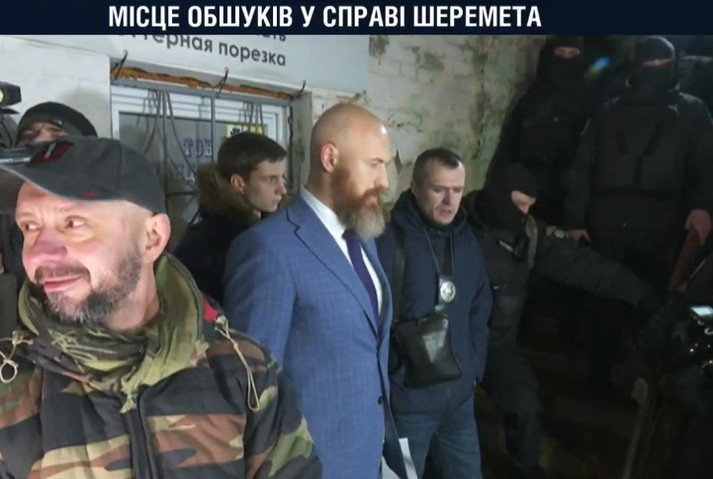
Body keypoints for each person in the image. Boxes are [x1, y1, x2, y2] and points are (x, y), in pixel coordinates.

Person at [0, 136, 322, 479]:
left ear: (152, 237)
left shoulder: (243, 371)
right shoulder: (10, 386)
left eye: (73, 223)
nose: (39, 254)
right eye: (30, 226)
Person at [223, 104, 408, 479]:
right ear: (329, 158)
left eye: (386, 166)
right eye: (374, 164)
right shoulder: (268, 248)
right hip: (310, 466)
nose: (385, 181)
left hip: (369, 456)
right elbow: (252, 391)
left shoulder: (364, 236)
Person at [463, 164, 661, 479]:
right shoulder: (453, 224)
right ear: (498, 196)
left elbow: (585, 267)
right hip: (452, 343)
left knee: (526, 404)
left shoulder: (529, 235)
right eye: (519, 205)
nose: (524, 214)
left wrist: (642, 295)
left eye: (530, 206)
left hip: (495, 345)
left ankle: (525, 469)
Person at [563, 35, 713, 387]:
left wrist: (703, 207)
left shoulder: (692, 112)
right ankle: (599, 381)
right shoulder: (608, 111)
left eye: (662, 65)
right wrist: (574, 219)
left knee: (654, 304)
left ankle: (640, 384)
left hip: (663, 223)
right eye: (649, 64)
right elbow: (582, 167)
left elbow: (706, 166)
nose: (655, 71)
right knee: (606, 303)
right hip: (608, 221)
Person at [376, 148, 492, 479]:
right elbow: (370, 318)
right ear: (415, 188)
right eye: (439, 189)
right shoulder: (388, 241)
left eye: (457, 190)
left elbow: (480, 307)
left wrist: (473, 368)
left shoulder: (467, 241)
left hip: (458, 403)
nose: (449, 200)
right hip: (408, 404)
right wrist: (391, 381)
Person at [488, 35, 596, 227]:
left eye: (572, 54)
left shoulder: (589, 100)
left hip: (563, 193)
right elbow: (509, 142)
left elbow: (589, 156)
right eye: (560, 53)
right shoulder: (533, 96)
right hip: (525, 186)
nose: (565, 59)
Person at [173, 132, 287, 304]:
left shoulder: (278, 227)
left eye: (282, 177)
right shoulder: (210, 242)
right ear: (238, 183)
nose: (282, 189)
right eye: (271, 180)